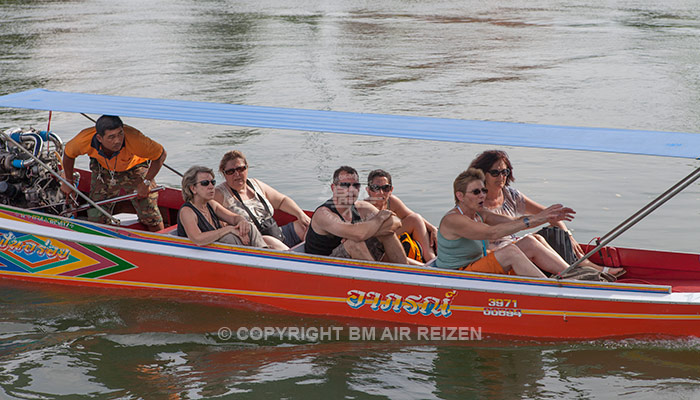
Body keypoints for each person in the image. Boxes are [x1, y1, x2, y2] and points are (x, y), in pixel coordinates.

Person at [468, 150, 624, 277]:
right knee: (531, 240)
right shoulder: (476, 202)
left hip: (514, 247)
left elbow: (547, 214)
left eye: (505, 172)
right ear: (482, 174)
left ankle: (583, 269)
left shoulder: (510, 195)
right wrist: (539, 220)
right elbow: (513, 224)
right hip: (498, 256)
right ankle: (577, 275)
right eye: (495, 173)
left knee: (551, 234)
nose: (501, 177)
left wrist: (568, 236)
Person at [436, 168, 577, 278]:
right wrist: (536, 219)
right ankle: (551, 292)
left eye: (484, 190)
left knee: (529, 242)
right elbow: (492, 232)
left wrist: (546, 217)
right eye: (476, 192)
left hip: (476, 265)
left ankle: (574, 277)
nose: (482, 195)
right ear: (460, 196)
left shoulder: (480, 214)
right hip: (457, 275)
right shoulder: (453, 220)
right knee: (510, 252)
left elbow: (514, 222)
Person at [60, 115, 166, 231]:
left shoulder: (136, 139)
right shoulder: (83, 140)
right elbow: (69, 155)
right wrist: (68, 181)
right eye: (111, 137)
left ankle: (163, 240)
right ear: (99, 138)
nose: (117, 140)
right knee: (96, 216)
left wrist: (146, 182)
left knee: (150, 213)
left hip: (134, 167)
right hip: (103, 168)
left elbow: (161, 154)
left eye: (120, 134)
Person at [304, 166, 411, 264]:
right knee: (354, 243)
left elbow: (396, 221)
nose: (351, 190)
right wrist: (378, 219)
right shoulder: (324, 214)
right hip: (322, 266)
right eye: (345, 185)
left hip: (350, 261)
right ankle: (376, 281)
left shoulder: (362, 207)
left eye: (355, 185)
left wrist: (369, 231)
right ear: (333, 188)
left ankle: (406, 275)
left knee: (387, 233)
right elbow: (359, 235)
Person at [213, 150, 310, 250]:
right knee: (268, 240)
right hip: (258, 241)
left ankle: (316, 255)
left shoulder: (255, 184)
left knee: (307, 226)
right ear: (224, 174)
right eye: (230, 172)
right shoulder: (219, 194)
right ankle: (298, 259)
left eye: (240, 169)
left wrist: (300, 214)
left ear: (247, 168)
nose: (237, 174)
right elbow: (215, 221)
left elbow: (282, 201)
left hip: (276, 232)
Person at [177, 165, 267, 248]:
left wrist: (242, 222)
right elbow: (197, 239)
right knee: (229, 238)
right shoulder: (187, 211)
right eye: (205, 183)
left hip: (215, 251)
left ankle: (265, 254)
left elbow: (234, 218)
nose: (211, 186)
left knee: (249, 227)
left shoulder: (211, 204)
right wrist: (228, 229)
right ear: (193, 188)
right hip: (198, 254)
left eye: (213, 182)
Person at [364, 169, 437, 261]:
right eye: (376, 188)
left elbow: (413, 216)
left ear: (391, 190)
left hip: (390, 237)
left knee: (415, 218)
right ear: (368, 190)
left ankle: (431, 259)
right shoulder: (364, 207)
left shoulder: (392, 201)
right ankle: (425, 267)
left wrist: (432, 228)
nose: (381, 192)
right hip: (375, 246)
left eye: (385, 188)